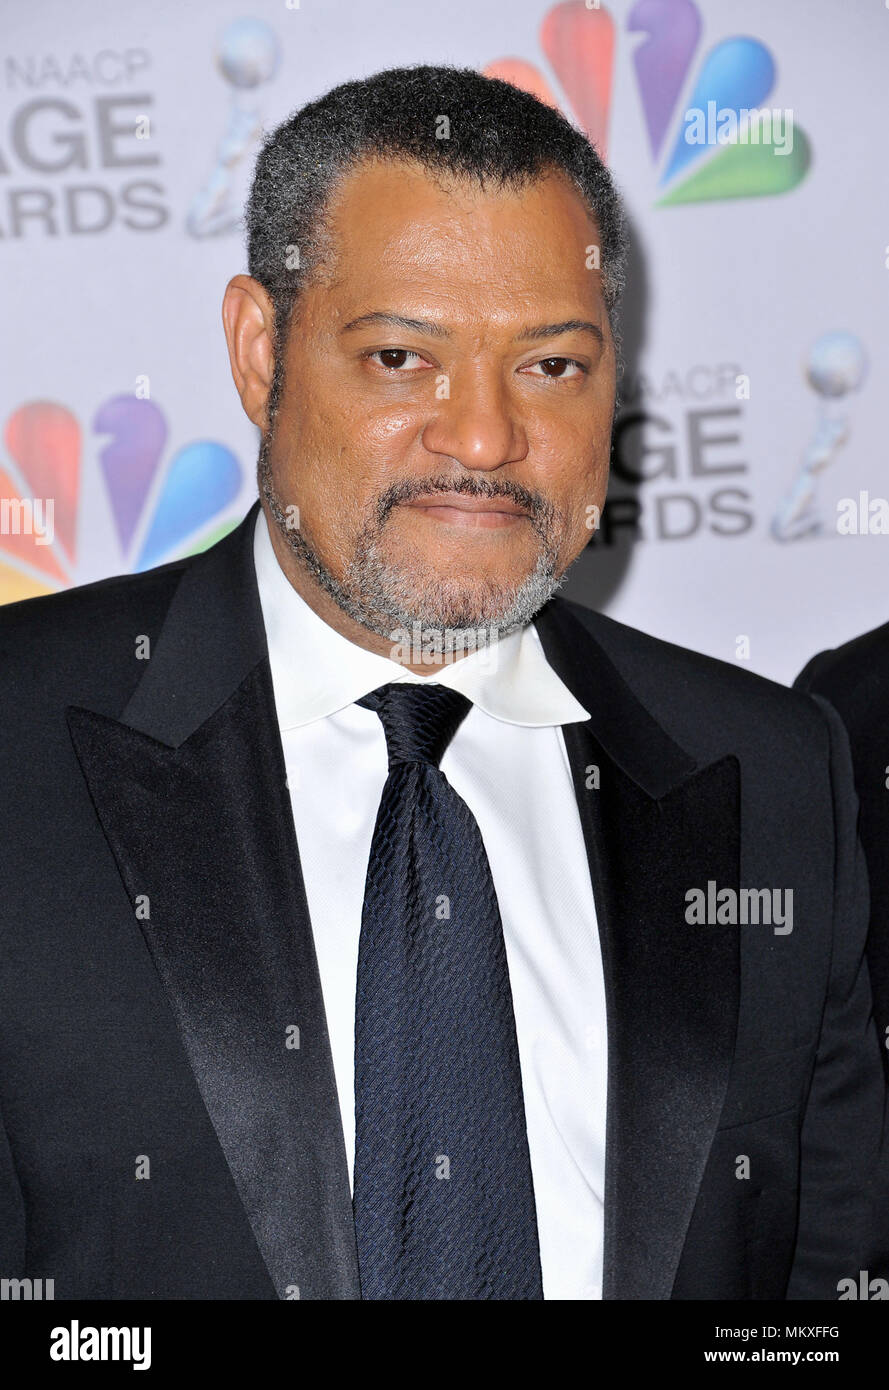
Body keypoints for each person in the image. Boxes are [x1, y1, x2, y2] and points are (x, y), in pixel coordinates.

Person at [0, 65, 885, 1302]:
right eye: (403, 355)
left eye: (552, 367)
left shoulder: (774, 765)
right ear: (262, 353)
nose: (481, 436)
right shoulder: (21, 737)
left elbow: (823, 1273)